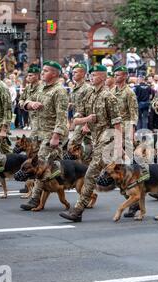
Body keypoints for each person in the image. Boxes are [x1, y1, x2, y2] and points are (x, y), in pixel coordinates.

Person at [60, 65, 122, 222]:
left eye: (94, 75)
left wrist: (119, 145)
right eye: (91, 75)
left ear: (102, 77)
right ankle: (133, 197)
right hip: (96, 139)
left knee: (90, 174)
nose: (91, 78)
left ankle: (77, 211)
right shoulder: (88, 95)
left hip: (108, 139)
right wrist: (87, 121)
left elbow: (117, 124)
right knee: (116, 175)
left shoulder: (109, 97)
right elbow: (76, 119)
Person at [20, 60, 69, 211]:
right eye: (42, 71)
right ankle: (72, 187)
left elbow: (62, 116)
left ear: (54, 74)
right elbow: (24, 101)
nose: (42, 73)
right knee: (56, 167)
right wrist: (30, 104)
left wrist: (56, 136)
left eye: (46, 71)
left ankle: (35, 199)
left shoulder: (59, 91)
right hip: (38, 132)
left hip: (52, 133)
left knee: (41, 164)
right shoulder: (41, 88)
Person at [67, 63, 93, 163]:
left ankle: (83, 163)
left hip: (85, 120)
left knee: (72, 144)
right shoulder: (74, 88)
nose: (73, 74)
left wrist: (86, 124)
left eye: (75, 72)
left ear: (83, 74)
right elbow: (77, 103)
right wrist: (71, 104)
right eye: (72, 72)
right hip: (78, 120)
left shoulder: (87, 88)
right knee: (88, 143)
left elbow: (90, 107)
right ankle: (86, 163)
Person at [19, 66, 42, 135]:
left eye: (31, 75)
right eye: (28, 75)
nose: (28, 77)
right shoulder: (28, 87)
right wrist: (25, 105)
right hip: (32, 119)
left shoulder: (43, 87)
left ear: (37, 76)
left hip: (41, 120)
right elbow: (21, 99)